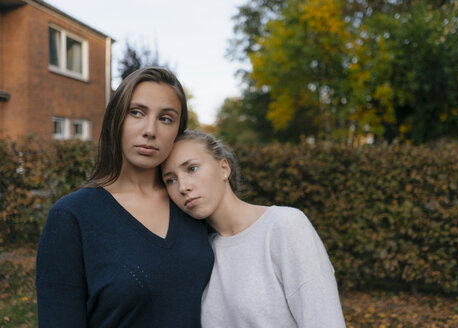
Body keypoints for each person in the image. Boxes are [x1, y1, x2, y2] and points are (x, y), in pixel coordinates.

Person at [35, 67, 214, 327]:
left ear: (178, 130)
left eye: (166, 118)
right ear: (116, 119)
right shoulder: (72, 217)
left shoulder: (191, 202)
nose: (150, 130)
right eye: (137, 112)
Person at [161, 130, 346, 328]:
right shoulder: (197, 252)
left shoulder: (284, 226)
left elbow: (324, 321)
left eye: (192, 168)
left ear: (224, 167)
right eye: (170, 180)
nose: (182, 187)